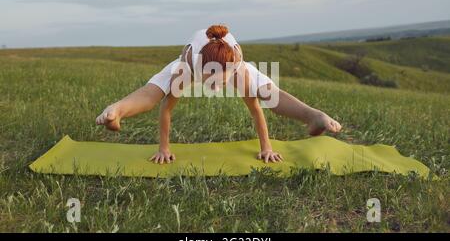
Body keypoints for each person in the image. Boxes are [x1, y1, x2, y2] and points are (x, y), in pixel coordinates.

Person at [96, 25, 342, 164]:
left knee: (270, 94)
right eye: (209, 81)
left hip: (227, 62)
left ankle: (314, 117)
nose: (214, 89)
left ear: (232, 70)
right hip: (191, 62)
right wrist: (163, 148)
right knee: (153, 94)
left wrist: (266, 147)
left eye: (220, 82)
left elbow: (256, 109)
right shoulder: (188, 65)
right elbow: (166, 109)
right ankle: (116, 111)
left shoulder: (237, 66)